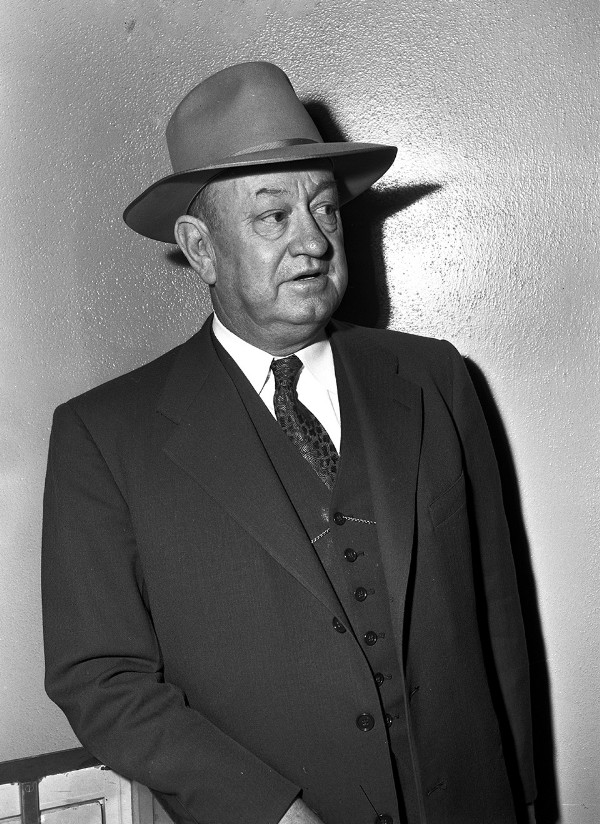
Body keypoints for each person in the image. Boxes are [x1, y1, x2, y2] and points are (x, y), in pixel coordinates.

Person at [42, 61, 536, 824]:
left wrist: (524, 799)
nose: (314, 241)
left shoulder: (435, 377)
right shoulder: (104, 437)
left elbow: (498, 613)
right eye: (273, 216)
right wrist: (265, 810)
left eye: (325, 209)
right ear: (201, 248)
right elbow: (101, 681)